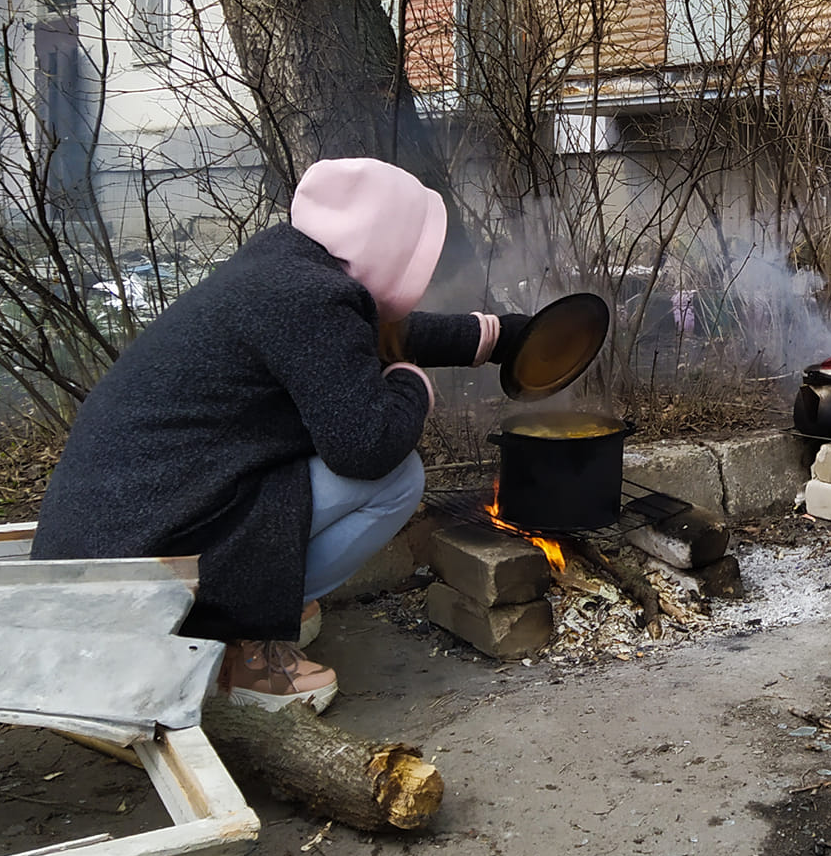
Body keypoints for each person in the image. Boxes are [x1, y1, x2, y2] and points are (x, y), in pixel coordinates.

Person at [32, 158, 533, 710]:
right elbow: (364, 447)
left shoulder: (284, 268)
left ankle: (265, 597)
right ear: (389, 245)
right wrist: (411, 384)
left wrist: (493, 337)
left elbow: (360, 333)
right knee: (395, 477)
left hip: (109, 532)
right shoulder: (309, 299)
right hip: (138, 568)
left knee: (359, 469)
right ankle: (236, 642)